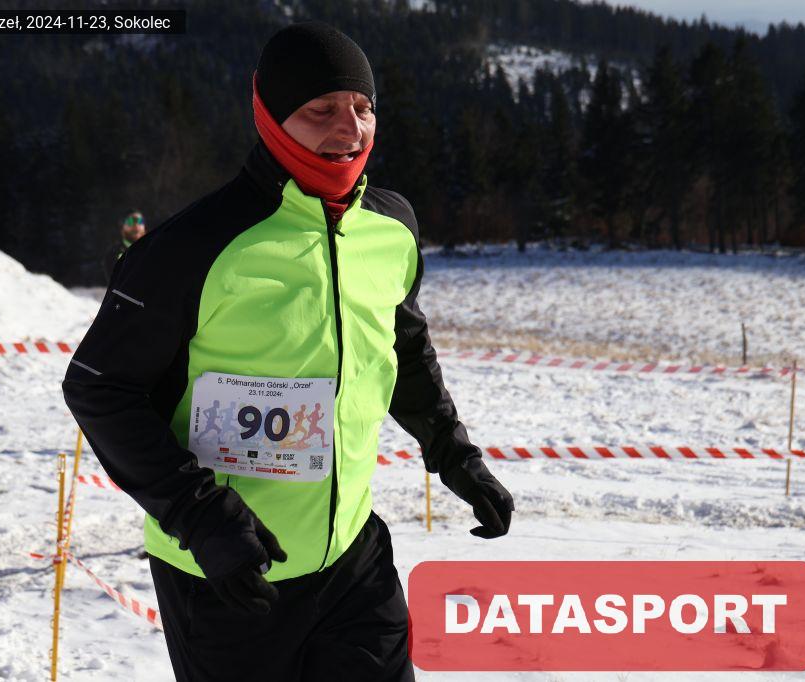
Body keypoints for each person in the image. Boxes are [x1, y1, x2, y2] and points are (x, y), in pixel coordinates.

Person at [62, 20, 514, 682]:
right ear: (271, 117)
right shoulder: (193, 245)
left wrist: (454, 454)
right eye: (321, 110)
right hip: (226, 575)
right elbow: (100, 386)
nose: (350, 129)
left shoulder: (390, 228)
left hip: (353, 560)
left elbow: (402, 346)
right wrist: (202, 519)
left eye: (363, 108)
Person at [101, 210, 146, 283]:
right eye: (130, 221)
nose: (136, 225)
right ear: (122, 227)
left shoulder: (153, 249)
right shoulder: (113, 253)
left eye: (140, 221)